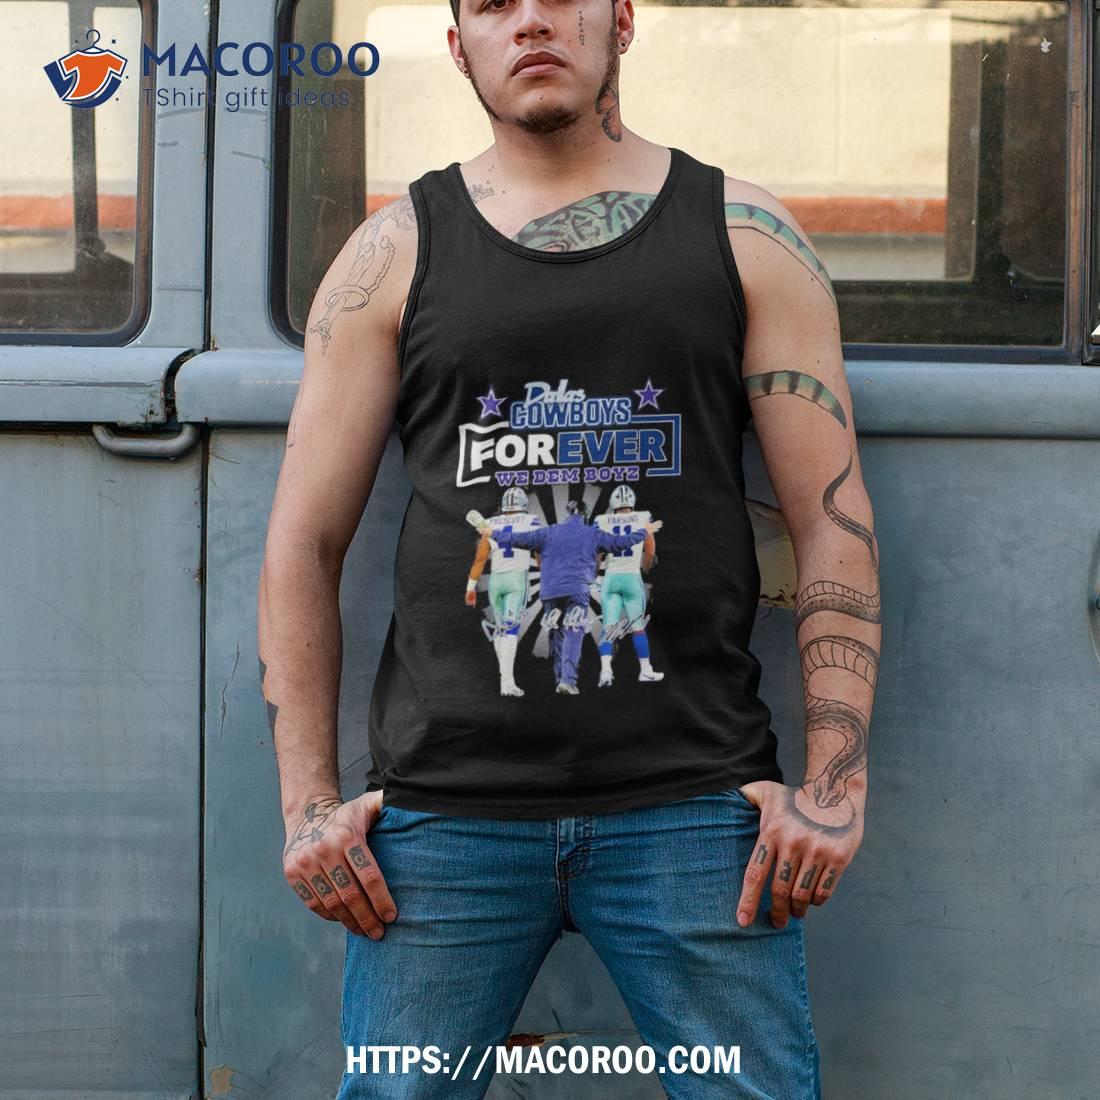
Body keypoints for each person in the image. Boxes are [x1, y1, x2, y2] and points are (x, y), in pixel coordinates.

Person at [256, 0, 881, 1095]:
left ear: (620, 19)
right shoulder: (392, 253)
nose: (530, 21)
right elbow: (302, 543)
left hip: (693, 802)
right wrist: (308, 805)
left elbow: (830, 516)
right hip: (444, 814)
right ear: (459, 45)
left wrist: (833, 786)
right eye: (492, 5)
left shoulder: (745, 235)